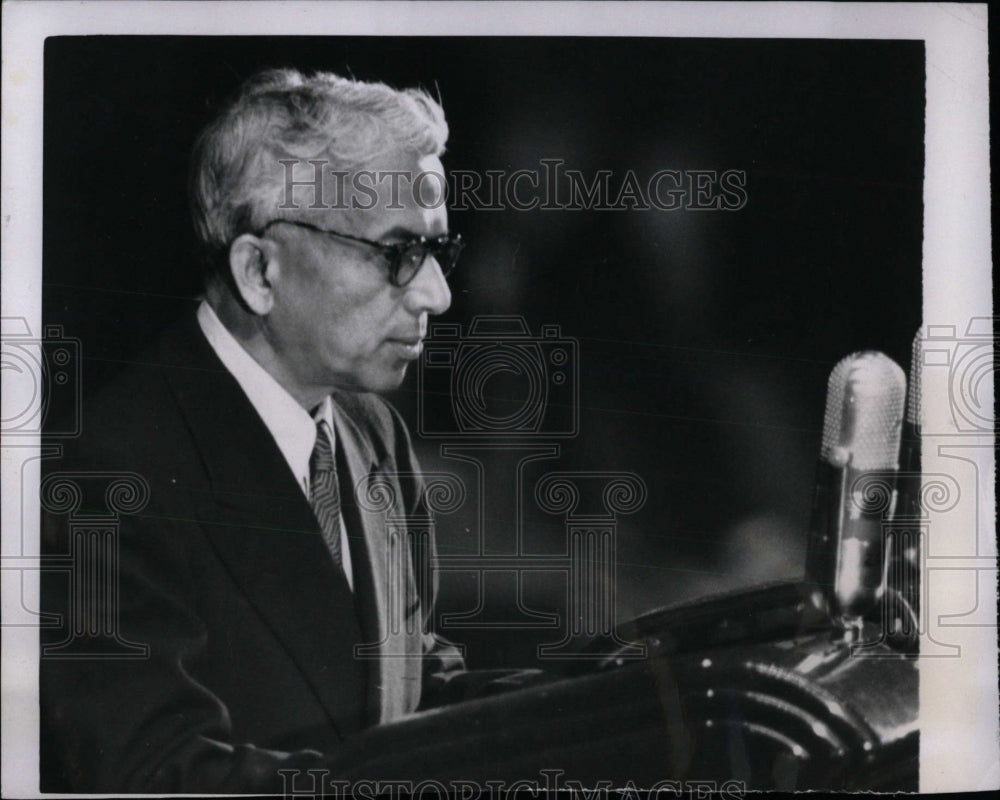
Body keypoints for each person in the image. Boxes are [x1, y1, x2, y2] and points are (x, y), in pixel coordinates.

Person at [40, 67, 484, 793]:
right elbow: (157, 775)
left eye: (439, 251)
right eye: (398, 253)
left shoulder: (374, 435)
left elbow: (416, 693)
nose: (436, 293)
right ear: (258, 271)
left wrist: (606, 701)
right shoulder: (108, 472)